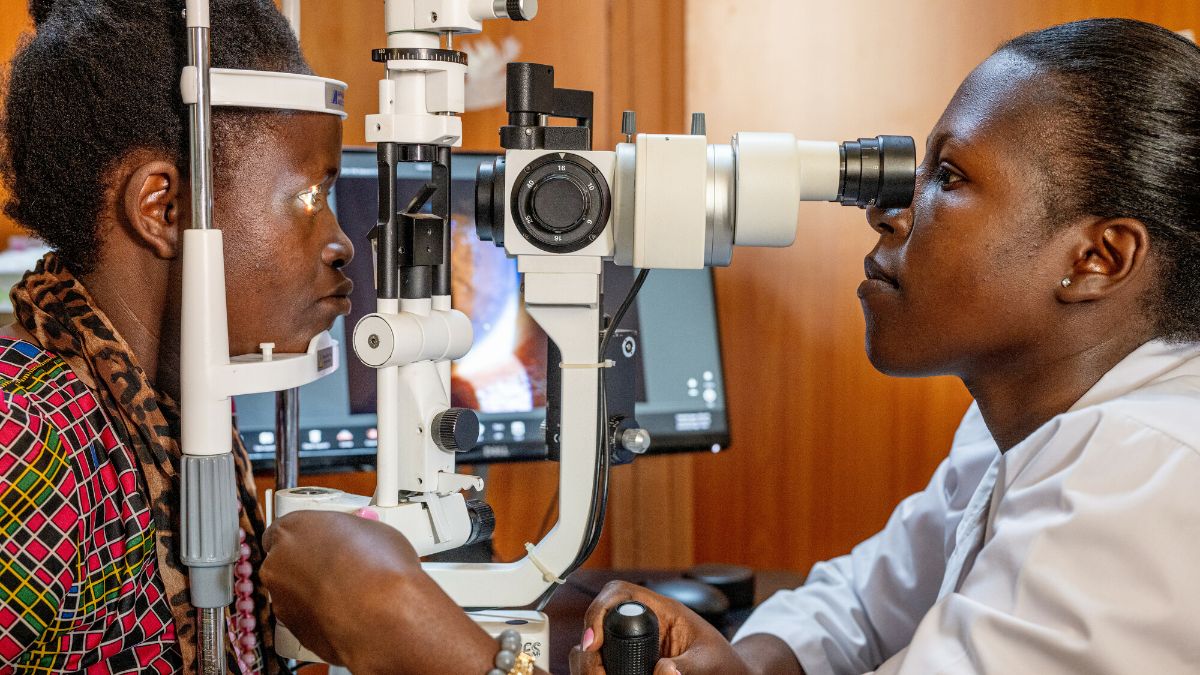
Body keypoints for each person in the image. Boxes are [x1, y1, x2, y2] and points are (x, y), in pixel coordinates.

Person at [260, 17, 1200, 675]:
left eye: (948, 176)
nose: (888, 205)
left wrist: (416, 641)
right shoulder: (1023, 423)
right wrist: (746, 661)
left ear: (1097, 258)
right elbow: (865, 603)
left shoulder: (1148, 484)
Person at [0, 0, 352, 672]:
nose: (339, 242)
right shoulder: (25, 437)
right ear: (165, 209)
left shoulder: (176, 412)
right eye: (310, 197)